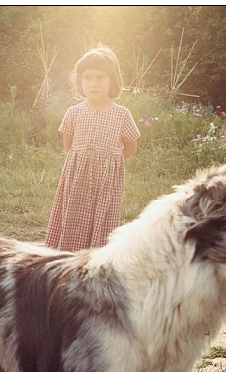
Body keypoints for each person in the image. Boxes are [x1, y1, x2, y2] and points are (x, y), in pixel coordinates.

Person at [45, 46, 141, 252]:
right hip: (77, 178)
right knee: (74, 214)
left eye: (100, 78)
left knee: (103, 219)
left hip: (107, 181)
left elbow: (131, 147)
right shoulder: (74, 113)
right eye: (87, 78)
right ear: (79, 81)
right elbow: (69, 146)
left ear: (112, 81)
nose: (93, 83)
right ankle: (68, 255)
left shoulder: (121, 114)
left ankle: (96, 259)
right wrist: (85, 161)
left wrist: (111, 161)